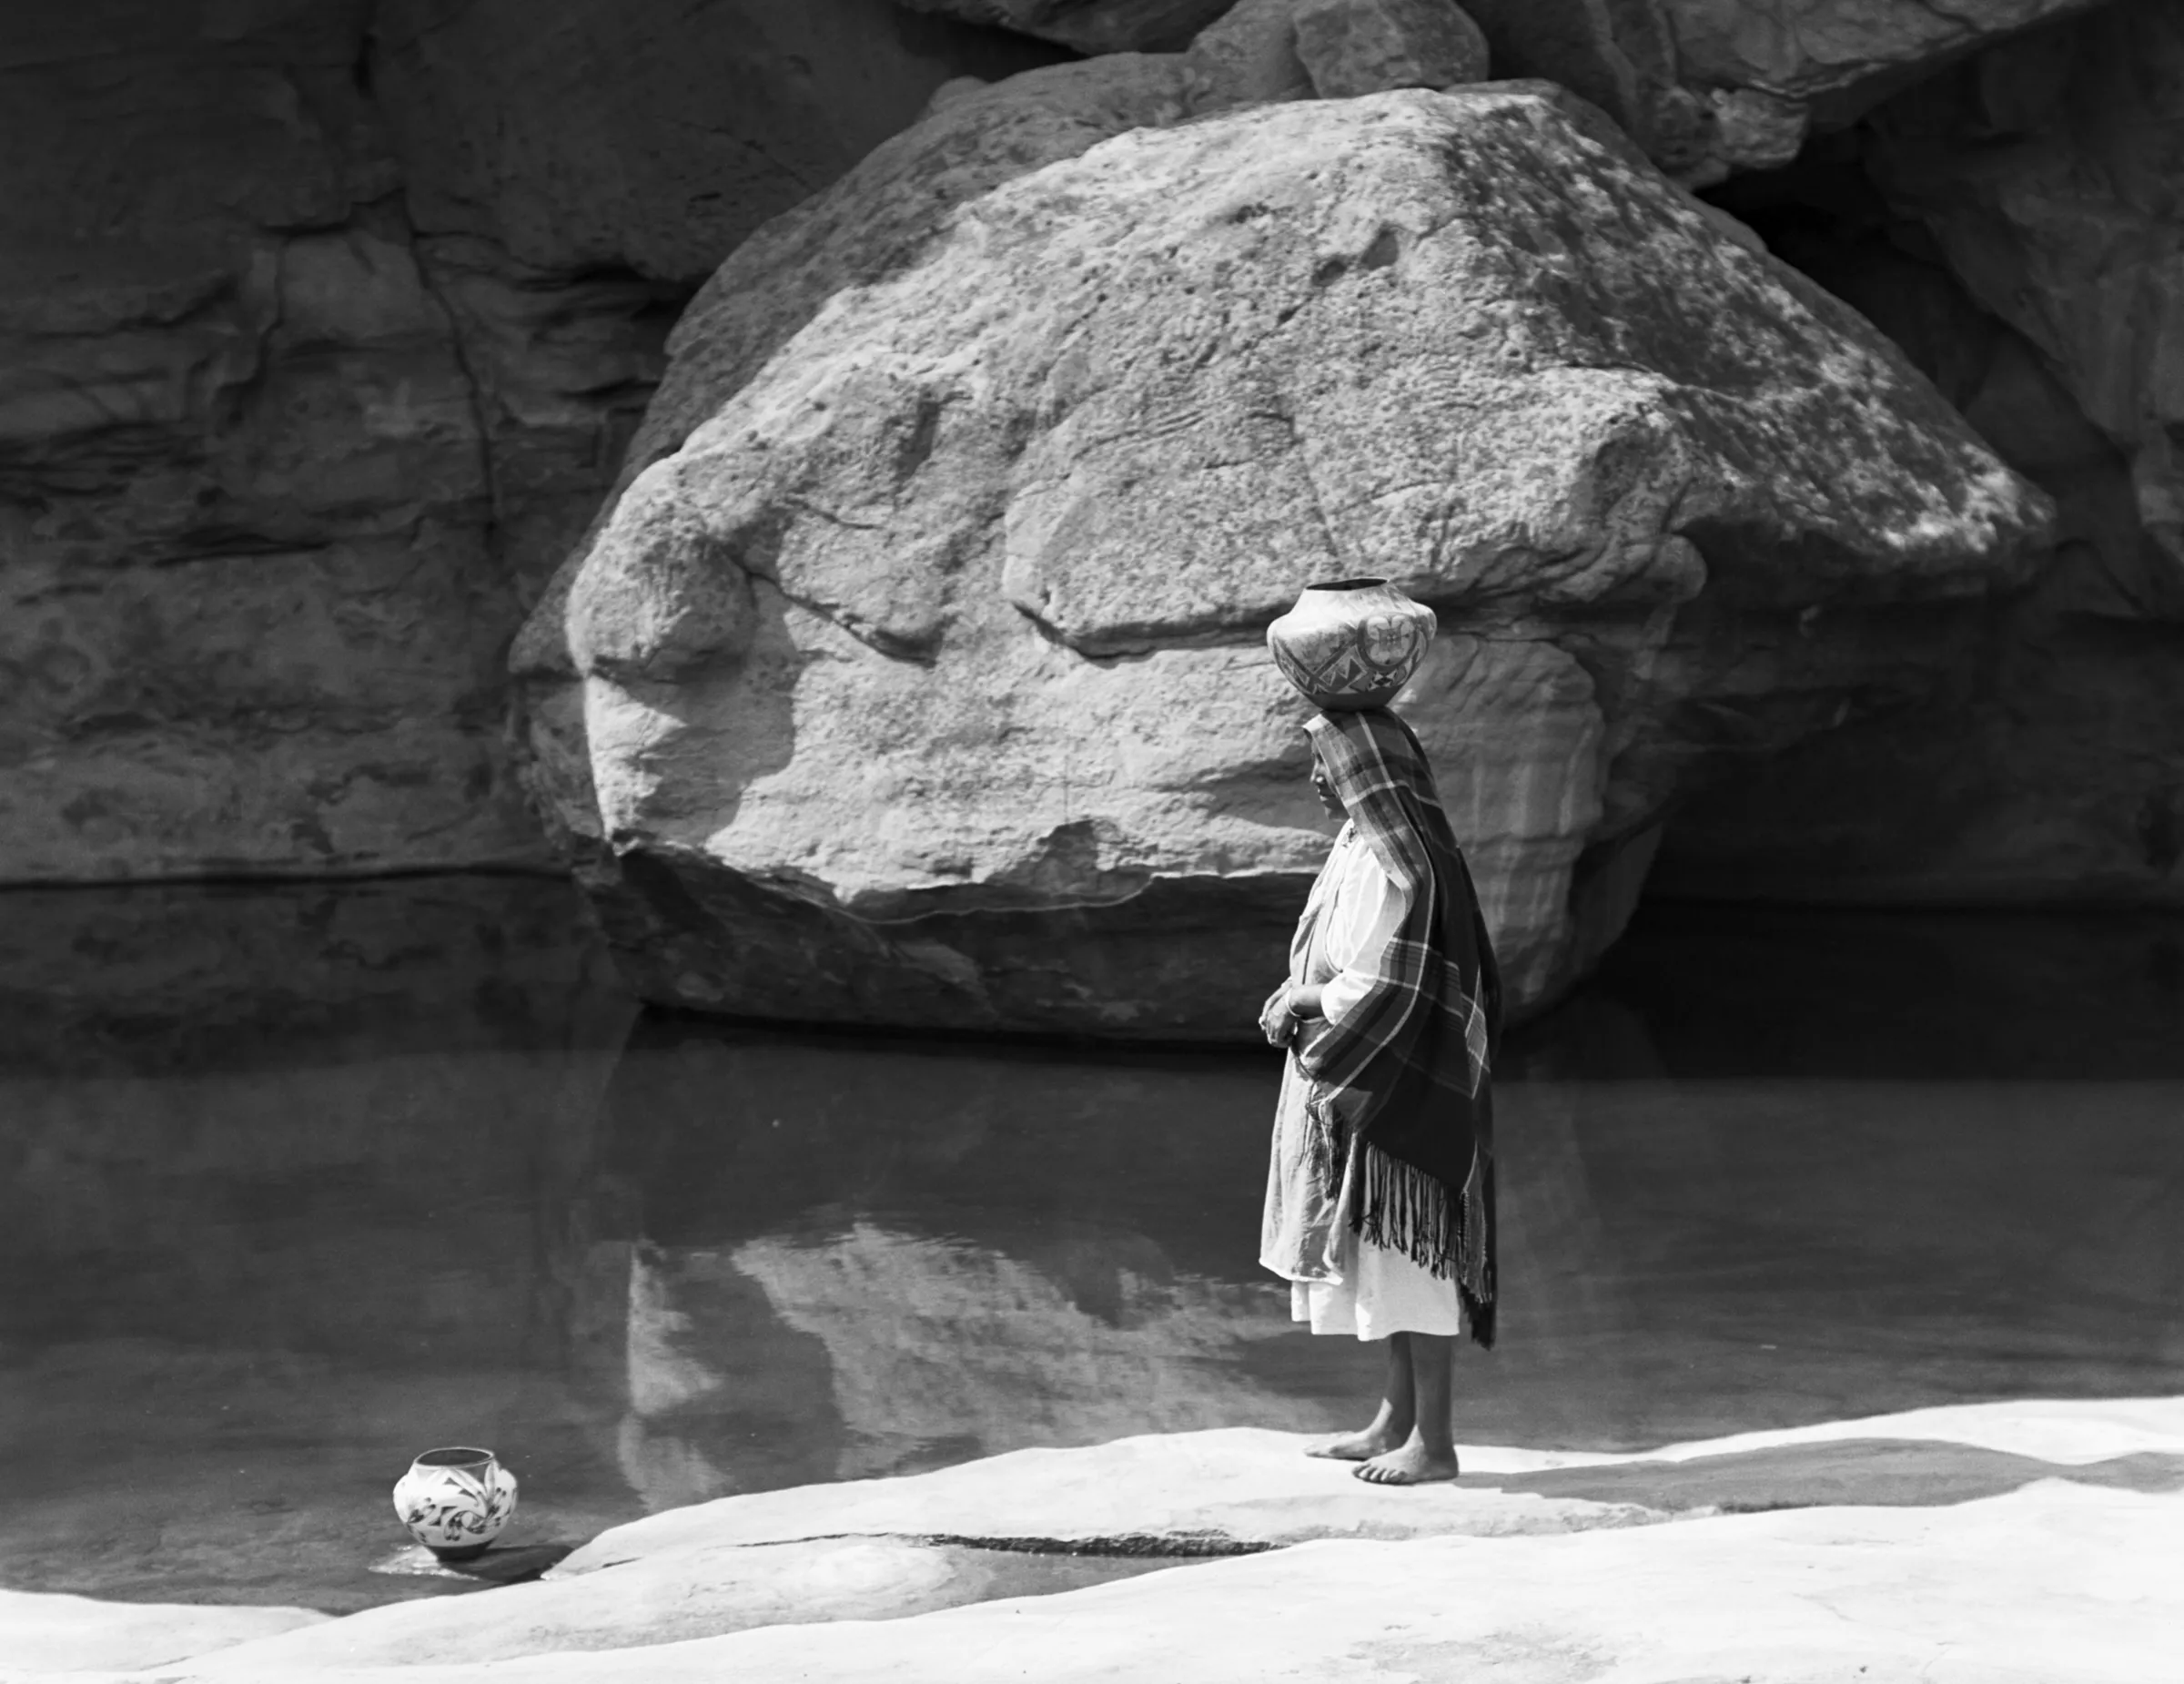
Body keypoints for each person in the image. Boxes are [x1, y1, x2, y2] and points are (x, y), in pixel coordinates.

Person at [1258, 706, 1502, 1486]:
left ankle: (1436, 1444)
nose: (1316, 781)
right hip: (1371, 1073)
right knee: (1383, 1257)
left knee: (1412, 1262)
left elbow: (1385, 979)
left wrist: (1303, 1002)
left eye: (1327, 766)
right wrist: (1303, 991)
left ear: (1366, 774)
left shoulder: (1400, 859)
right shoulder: (1362, 843)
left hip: (1401, 1084)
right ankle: (1394, 1421)